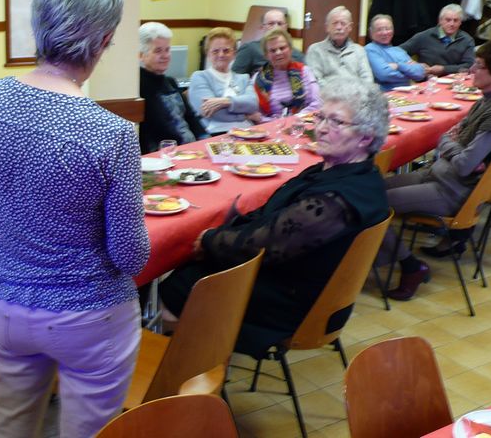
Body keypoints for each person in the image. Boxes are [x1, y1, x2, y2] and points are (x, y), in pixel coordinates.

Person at [0, 0, 150, 438]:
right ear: (103, 42)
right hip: (89, 315)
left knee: (10, 429)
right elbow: (131, 256)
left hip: (8, 307)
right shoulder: (113, 134)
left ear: (38, 25)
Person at [159, 78, 390, 358]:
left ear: (366, 137)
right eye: (321, 117)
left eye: (337, 122)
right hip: (298, 281)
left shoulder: (337, 200)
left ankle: (183, 371)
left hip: (293, 303)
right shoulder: (347, 174)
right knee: (192, 264)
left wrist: (210, 240)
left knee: (181, 283)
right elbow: (274, 218)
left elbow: (266, 245)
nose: (321, 128)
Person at [380, 38, 491, 301]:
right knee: (373, 189)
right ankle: (372, 256)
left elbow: (464, 163)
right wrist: (451, 142)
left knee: (375, 205)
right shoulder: (488, 100)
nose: (471, 70)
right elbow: (452, 140)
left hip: (451, 190)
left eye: (479, 66)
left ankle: (410, 267)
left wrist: (448, 143)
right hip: (440, 175)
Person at [138, 21, 208, 153]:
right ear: (141, 55)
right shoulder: (140, 85)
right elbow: (160, 127)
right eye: (158, 51)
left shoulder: (170, 82)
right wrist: (191, 148)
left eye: (167, 49)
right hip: (166, 153)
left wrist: (205, 139)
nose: (165, 55)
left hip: (189, 148)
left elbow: (191, 117)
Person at [187, 27, 258, 134]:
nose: (221, 55)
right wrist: (245, 115)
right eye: (215, 51)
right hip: (216, 134)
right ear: (208, 54)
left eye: (226, 50)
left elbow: (253, 104)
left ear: (234, 53)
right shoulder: (199, 77)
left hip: (248, 132)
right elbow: (212, 113)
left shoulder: (243, 78)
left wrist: (226, 102)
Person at [252, 28, 322, 121]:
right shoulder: (258, 79)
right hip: (271, 128)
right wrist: (279, 123)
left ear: (290, 49)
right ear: (266, 55)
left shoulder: (305, 71)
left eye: (282, 48)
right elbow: (257, 116)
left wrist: (294, 120)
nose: (278, 53)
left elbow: (318, 102)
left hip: (304, 123)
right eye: (273, 50)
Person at [401, 4, 476, 76]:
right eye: (448, 20)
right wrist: (413, 64)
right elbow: (397, 52)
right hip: (427, 81)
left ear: (460, 22)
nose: (452, 24)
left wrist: (444, 69)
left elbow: (469, 65)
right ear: (440, 21)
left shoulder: (467, 40)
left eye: (455, 20)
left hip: (455, 82)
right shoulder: (424, 36)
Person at [305, 6, 373, 83]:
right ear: (327, 27)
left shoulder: (359, 50)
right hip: (327, 94)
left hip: (356, 94)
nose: (339, 27)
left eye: (343, 23)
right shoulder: (315, 50)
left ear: (350, 27)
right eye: (334, 23)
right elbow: (315, 80)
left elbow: (367, 79)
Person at [231, 8, 305, 76]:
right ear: (263, 27)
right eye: (271, 24)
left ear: (286, 27)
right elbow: (235, 79)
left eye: (280, 23)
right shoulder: (249, 49)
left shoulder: (298, 55)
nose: (276, 27)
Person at [364, 14, 426, 90]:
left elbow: (420, 74)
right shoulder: (370, 49)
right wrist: (409, 73)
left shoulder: (399, 50)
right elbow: (384, 74)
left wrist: (398, 66)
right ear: (371, 32)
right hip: (386, 95)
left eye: (388, 29)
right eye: (379, 29)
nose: (385, 32)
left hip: (407, 95)